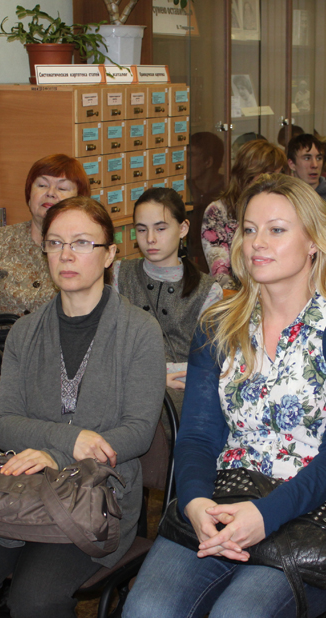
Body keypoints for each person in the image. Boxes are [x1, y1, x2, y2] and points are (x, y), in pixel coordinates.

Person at [119, 174, 326, 618]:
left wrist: (267, 514)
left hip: (322, 506)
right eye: (248, 229)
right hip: (227, 493)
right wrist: (195, 501)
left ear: (314, 242)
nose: (257, 242)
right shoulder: (218, 324)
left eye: (276, 230)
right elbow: (198, 435)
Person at [0, 197, 165, 618]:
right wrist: (69, 441)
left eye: (82, 243)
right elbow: (5, 422)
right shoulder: (25, 332)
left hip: (95, 497)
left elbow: (137, 432)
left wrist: (60, 455)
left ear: (110, 254)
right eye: (55, 243)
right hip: (19, 488)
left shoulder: (140, 331)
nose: (66, 255)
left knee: (34, 601)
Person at [113, 187, 222, 410]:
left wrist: (160, 375)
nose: (150, 239)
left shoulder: (208, 291)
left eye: (160, 228)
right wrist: (151, 378)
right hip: (124, 388)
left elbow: (209, 363)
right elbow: (107, 346)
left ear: (183, 228)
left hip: (183, 392)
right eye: (141, 230)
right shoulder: (118, 274)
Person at [0, 154, 89, 316]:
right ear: (29, 194)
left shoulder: (87, 249)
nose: (50, 193)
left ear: (80, 199)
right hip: (1, 333)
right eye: (42, 185)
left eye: (62, 188)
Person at [202, 139, 287, 288]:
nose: (276, 181)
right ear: (247, 174)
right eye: (270, 174)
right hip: (236, 293)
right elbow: (220, 272)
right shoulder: (218, 211)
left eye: (280, 174)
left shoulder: (283, 208)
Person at [187, 132, 227, 271]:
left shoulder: (226, 192)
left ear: (208, 162)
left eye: (191, 155)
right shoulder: (184, 189)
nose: (185, 161)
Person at [286, 133, 326, 212]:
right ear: (292, 164)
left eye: (319, 158)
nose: (315, 165)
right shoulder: (283, 197)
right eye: (307, 158)